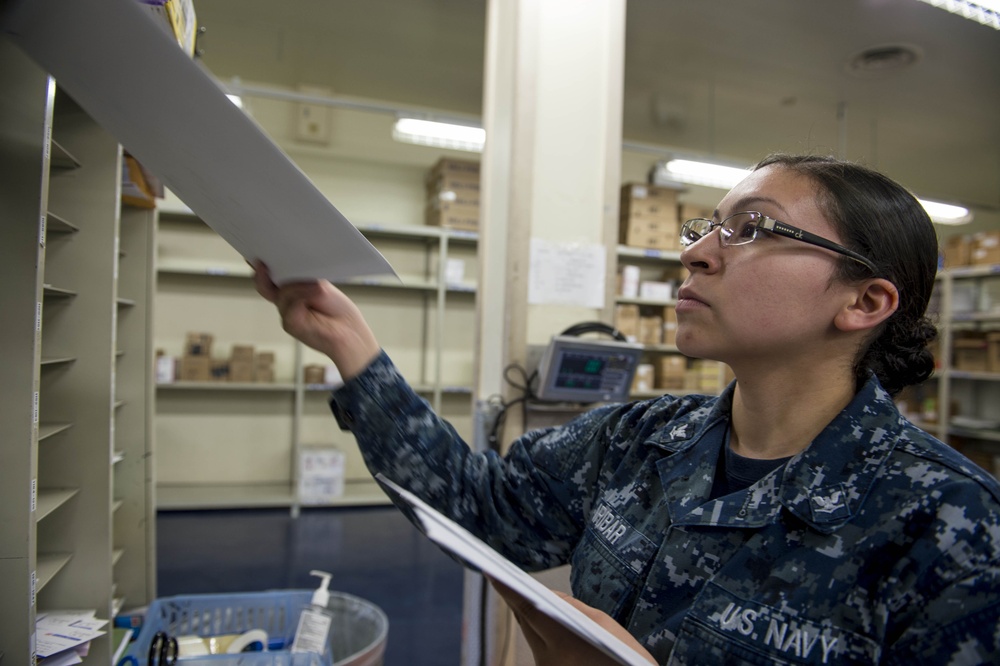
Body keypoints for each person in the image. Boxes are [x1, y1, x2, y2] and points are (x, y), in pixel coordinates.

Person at [253, 153, 1000, 665]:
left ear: (864, 301)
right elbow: (475, 507)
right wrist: (346, 340)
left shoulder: (948, 528)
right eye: (706, 227)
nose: (698, 252)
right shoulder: (636, 438)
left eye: (752, 229)